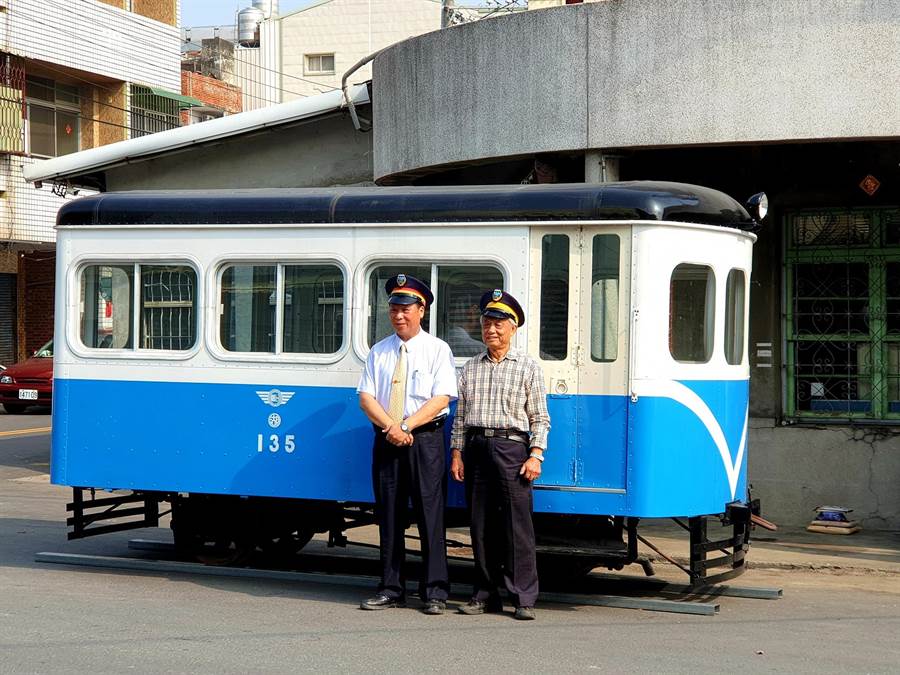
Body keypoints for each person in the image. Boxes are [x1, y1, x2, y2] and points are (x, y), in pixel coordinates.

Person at [357, 273, 458, 615]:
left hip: (425, 440)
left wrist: (405, 425)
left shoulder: (437, 350)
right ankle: (390, 588)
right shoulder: (379, 351)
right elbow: (366, 397)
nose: (399, 316)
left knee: (430, 515)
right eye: (394, 309)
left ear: (421, 310)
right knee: (388, 516)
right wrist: (391, 428)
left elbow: (441, 397)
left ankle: (434, 591)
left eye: (406, 309)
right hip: (388, 440)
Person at [450, 289, 550, 621]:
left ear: (513, 328)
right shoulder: (469, 368)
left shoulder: (527, 367)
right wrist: (457, 454)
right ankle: (484, 594)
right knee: (479, 526)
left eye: (499, 324)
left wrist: (536, 454)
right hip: (477, 448)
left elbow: (540, 417)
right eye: (487, 323)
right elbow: (460, 418)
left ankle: (523, 597)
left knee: (517, 527)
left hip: (512, 448)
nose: (491, 330)